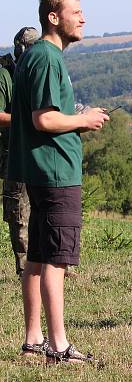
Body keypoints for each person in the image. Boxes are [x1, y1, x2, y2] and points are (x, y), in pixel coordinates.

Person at [8, 0, 109, 363]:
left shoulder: (34, 56)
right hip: (55, 174)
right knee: (56, 259)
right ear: (54, 17)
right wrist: (82, 119)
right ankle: (59, 346)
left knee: (36, 257)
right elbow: (45, 118)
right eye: (76, 12)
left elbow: (44, 117)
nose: (83, 19)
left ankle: (34, 339)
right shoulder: (48, 58)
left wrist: (80, 121)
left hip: (38, 169)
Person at [1, 27, 40, 277]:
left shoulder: (36, 72)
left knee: (44, 206)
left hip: (38, 150)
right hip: (12, 151)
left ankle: (53, 264)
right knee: (19, 210)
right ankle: (25, 266)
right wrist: (24, 120)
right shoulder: (5, 75)